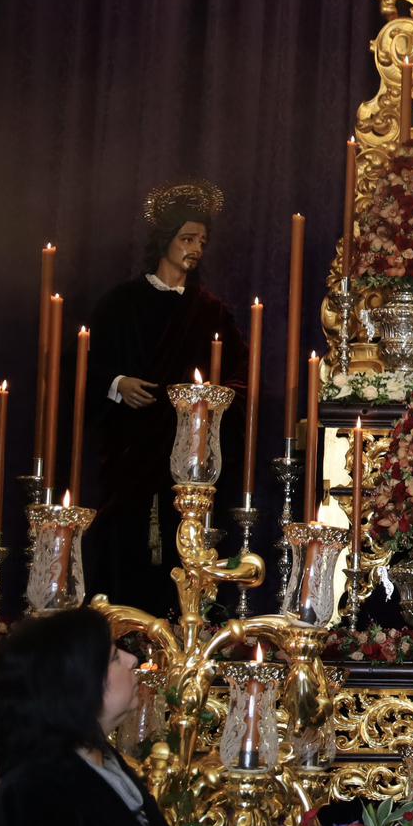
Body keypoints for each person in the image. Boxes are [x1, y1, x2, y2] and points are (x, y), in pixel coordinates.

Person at [83, 181, 247, 616]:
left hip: (188, 455)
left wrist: (209, 403)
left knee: (183, 549)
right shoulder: (121, 303)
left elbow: (239, 379)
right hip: (129, 452)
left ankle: (181, 628)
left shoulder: (211, 312)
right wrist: (119, 384)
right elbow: (83, 365)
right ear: (166, 240)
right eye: (187, 239)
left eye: (202, 242)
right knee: (125, 543)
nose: (195, 249)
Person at [0, 607, 183, 826]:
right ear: (76, 684)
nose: (132, 660)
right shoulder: (33, 795)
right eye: (114, 658)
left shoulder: (106, 763)